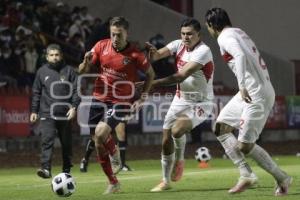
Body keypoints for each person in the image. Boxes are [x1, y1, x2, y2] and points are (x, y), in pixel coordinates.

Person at [205, 7, 292, 196]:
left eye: (208, 26)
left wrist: (242, 85)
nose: (209, 30)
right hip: (255, 89)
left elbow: (241, 56)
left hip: (255, 92)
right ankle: (246, 174)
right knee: (221, 127)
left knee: (244, 146)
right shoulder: (238, 32)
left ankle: (282, 177)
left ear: (211, 25)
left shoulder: (224, 38)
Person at [78, 16, 155, 194]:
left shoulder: (135, 54)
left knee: (101, 132)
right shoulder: (100, 46)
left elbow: (151, 73)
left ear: (126, 34)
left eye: (119, 35)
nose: (115, 38)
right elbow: (82, 71)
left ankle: (116, 154)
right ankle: (113, 182)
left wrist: (143, 96)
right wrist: (85, 62)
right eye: (113, 34)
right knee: (97, 141)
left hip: (121, 100)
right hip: (98, 98)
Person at [146, 18, 215, 192]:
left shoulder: (204, 51)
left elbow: (180, 76)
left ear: (198, 34)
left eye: (190, 34)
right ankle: (165, 181)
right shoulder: (178, 44)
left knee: (177, 130)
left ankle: (180, 159)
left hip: (201, 102)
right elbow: (158, 55)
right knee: (166, 138)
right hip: (180, 98)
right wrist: (153, 54)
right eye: (183, 33)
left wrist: (153, 83)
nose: (186, 37)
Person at [30, 44, 80, 178]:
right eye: (51, 55)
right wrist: (34, 111)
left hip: (65, 114)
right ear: (47, 57)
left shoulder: (69, 71)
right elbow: (36, 92)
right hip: (47, 113)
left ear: (61, 55)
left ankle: (66, 170)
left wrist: (74, 107)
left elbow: (76, 91)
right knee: (47, 141)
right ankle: (46, 169)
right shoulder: (41, 72)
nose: (54, 58)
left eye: (56, 55)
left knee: (67, 144)